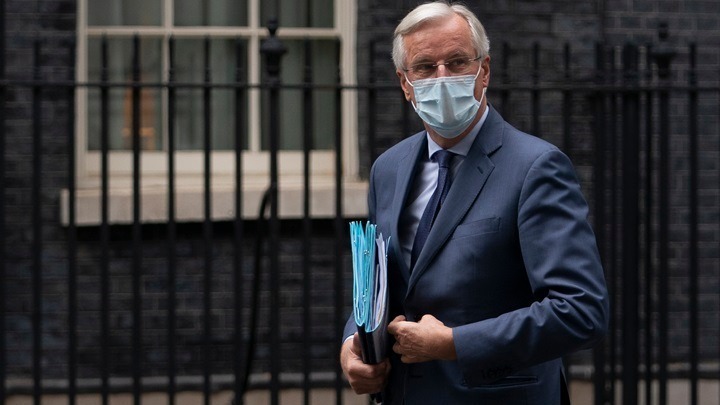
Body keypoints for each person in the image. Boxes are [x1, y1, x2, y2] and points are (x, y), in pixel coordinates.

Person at [340, 1, 609, 404]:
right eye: (425, 67)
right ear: (405, 83)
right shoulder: (388, 169)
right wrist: (353, 343)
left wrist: (455, 343)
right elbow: (384, 284)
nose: (442, 77)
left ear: (484, 70)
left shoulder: (535, 167)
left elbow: (582, 311)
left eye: (457, 62)